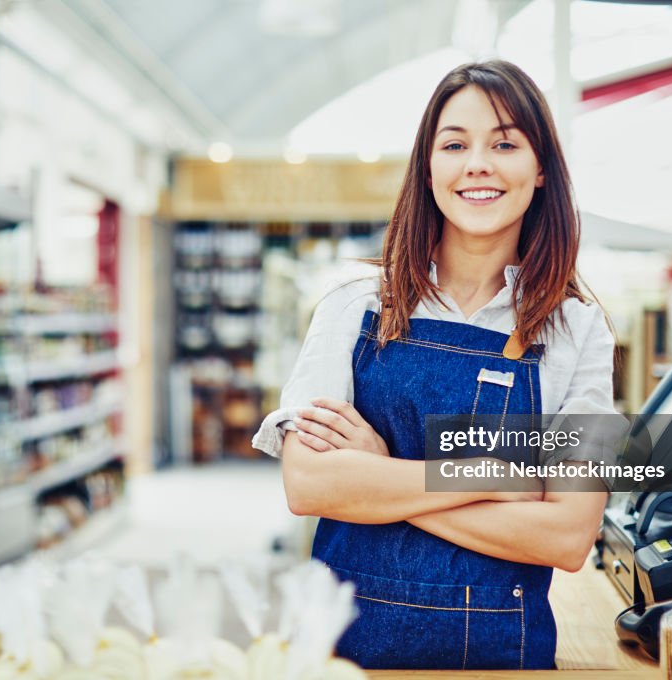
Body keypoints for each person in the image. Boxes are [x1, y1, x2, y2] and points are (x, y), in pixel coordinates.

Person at [252, 60, 616, 671]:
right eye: (455, 144)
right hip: (347, 660)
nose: (478, 163)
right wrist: (500, 477)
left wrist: (381, 471)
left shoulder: (578, 330)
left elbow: (568, 536)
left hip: (503, 662)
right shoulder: (353, 304)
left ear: (541, 168)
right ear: (428, 167)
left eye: (504, 143)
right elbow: (310, 485)